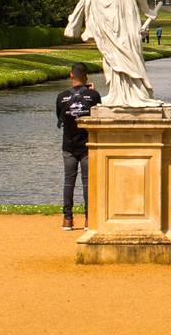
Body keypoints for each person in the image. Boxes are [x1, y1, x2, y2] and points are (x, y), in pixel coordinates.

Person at [56, 62, 101, 230]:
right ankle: (89, 220)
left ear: (70, 75)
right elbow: (98, 116)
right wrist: (90, 92)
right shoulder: (94, 95)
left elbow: (59, 117)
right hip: (87, 145)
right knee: (87, 183)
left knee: (69, 183)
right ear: (86, 76)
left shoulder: (61, 97)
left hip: (68, 145)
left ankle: (67, 220)